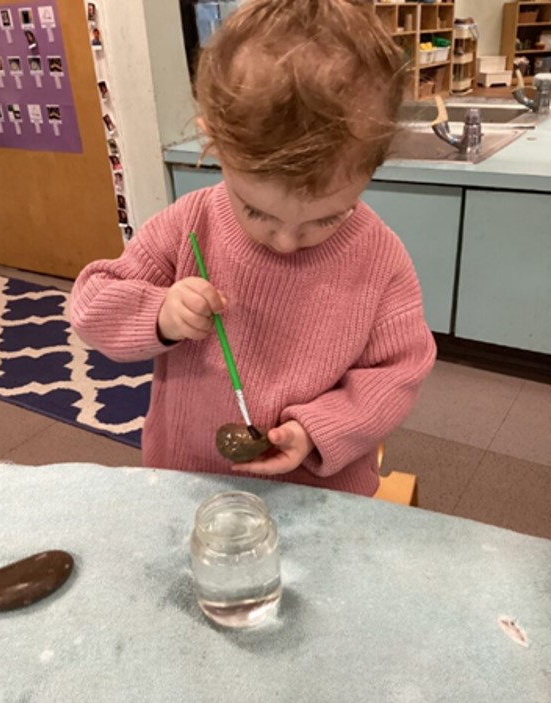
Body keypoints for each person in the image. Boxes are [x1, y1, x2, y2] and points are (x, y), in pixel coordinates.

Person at [71, 0, 436, 496]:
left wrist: (317, 429)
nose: (286, 241)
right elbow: (91, 304)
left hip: (319, 494)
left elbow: (396, 375)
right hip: (187, 481)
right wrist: (159, 314)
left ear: (372, 170)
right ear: (216, 144)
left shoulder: (380, 259)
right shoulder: (189, 225)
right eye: (257, 212)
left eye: (327, 217)